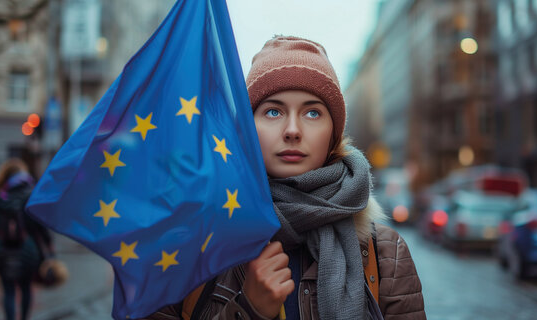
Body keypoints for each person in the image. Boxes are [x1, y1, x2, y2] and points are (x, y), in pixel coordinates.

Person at [146, 36, 425, 319]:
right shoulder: (190, 246)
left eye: (313, 112)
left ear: (333, 135)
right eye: (273, 111)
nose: (293, 130)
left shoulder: (386, 254)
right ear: (247, 129)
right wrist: (248, 310)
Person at [0, 158, 53, 320]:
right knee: (26, 288)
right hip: (28, 252)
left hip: (2, 252)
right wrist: (49, 250)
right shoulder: (31, 195)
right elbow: (40, 226)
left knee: (8, 291)